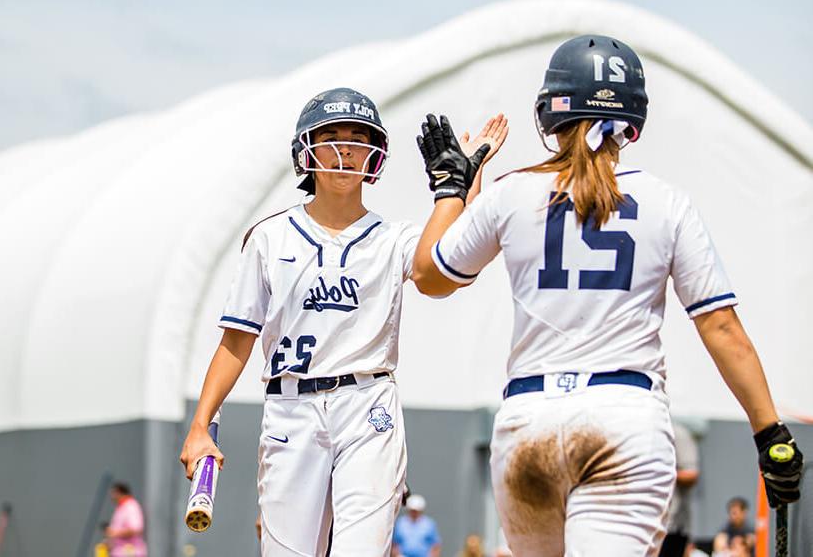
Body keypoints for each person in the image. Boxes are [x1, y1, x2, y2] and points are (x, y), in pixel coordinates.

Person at [410, 34, 804, 555]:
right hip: (624, 422)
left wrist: (454, 190)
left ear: (550, 112)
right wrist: (768, 432)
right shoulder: (668, 203)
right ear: (634, 118)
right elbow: (720, 327)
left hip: (529, 421)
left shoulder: (510, 191)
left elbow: (429, 276)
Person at [179, 87, 503, 556]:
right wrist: (200, 424)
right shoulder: (269, 238)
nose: (346, 149)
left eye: (359, 138)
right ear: (305, 151)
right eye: (331, 136)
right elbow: (236, 341)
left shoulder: (393, 238)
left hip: (368, 405)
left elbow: (446, 271)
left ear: (375, 156)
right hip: (290, 408)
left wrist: (458, 191)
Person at [659, 422, 700, 557]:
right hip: (643, 521)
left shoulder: (677, 433)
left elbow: (691, 474)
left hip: (671, 525)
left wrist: (658, 472)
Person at [105, 482, 147, 557]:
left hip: (131, 552)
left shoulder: (131, 506)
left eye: (113, 493)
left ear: (119, 492)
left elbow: (136, 529)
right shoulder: (122, 507)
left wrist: (115, 533)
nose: (112, 496)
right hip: (122, 552)